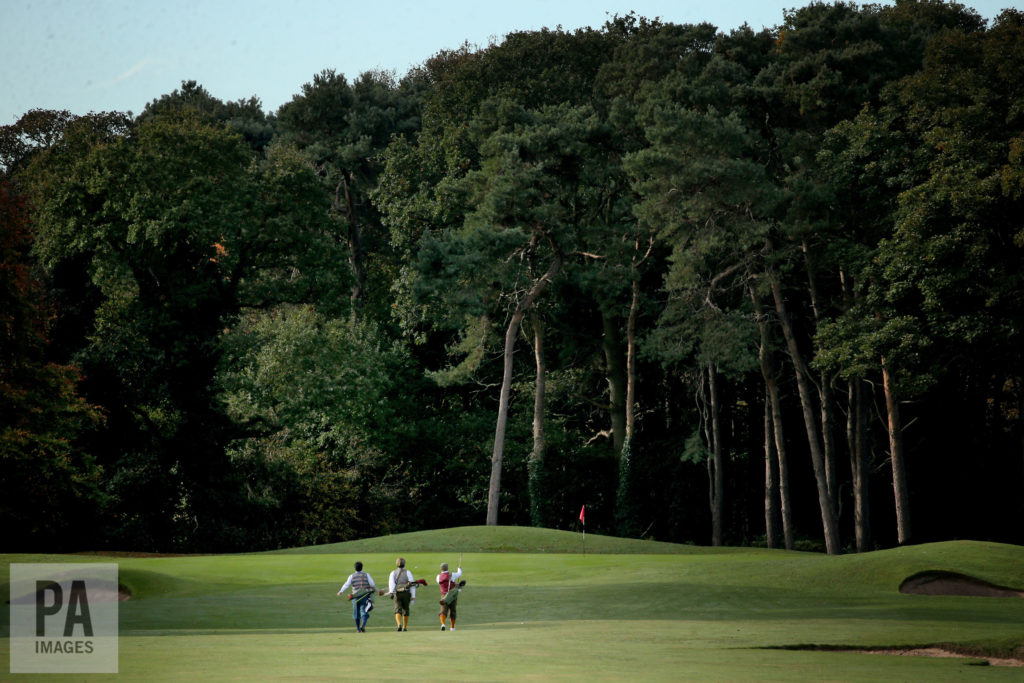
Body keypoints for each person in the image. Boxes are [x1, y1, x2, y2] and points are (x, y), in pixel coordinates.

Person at [337, 561, 376, 632]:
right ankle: (363, 626)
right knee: (364, 611)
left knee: (356, 613)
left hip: (354, 597)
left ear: (355, 568)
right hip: (364, 596)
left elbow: (346, 584)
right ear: (362, 567)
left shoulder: (351, 576)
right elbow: (372, 584)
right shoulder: (366, 575)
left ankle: (358, 629)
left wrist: (341, 591)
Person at [388, 557, 417, 631]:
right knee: (406, 610)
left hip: (397, 593)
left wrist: (391, 592)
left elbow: (392, 584)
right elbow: (412, 584)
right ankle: (404, 627)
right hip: (406, 593)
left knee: (397, 609)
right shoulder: (408, 572)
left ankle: (399, 625)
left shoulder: (393, 573)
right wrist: (413, 596)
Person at [436, 561, 464, 631]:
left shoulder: (438, 577)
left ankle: (443, 624)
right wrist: (459, 568)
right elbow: (459, 574)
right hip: (452, 595)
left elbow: (440, 583)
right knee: (453, 611)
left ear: (441, 569)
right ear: (447, 568)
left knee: (443, 611)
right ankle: (452, 627)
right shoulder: (452, 575)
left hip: (444, 595)